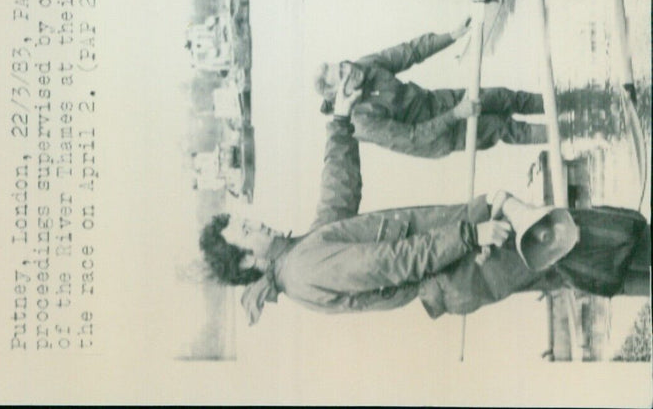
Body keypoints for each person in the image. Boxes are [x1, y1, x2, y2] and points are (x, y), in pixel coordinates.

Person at [198, 86, 650, 324]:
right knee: (592, 242)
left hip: (468, 256)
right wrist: (471, 234)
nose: (252, 221)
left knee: (590, 263)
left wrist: (339, 121)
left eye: (242, 218)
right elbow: (394, 262)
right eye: (243, 228)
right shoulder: (303, 270)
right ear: (247, 258)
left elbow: (337, 198)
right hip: (468, 262)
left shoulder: (301, 252)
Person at [314, 29, 547, 154]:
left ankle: (566, 101)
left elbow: (411, 51)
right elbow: (415, 137)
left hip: (437, 101)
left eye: (343, 65)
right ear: (338, 94)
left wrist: (452, 36)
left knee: (505, 97)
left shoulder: (364, 66)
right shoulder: (362, 122)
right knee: (503, 127)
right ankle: (568, 132)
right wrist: (457, 114)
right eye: (343, 75)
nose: (350, 69)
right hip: (439, 134)